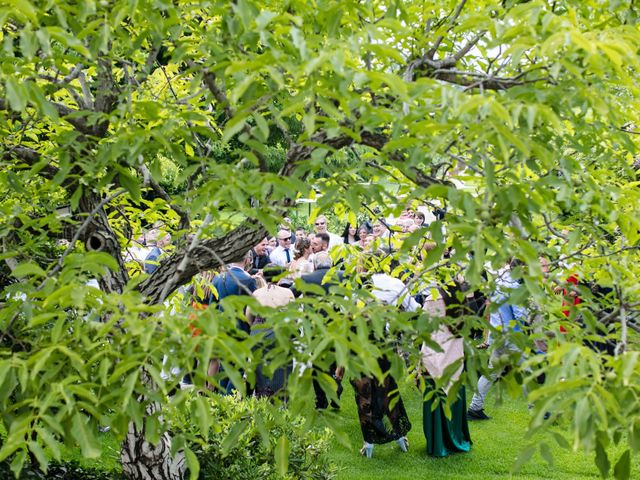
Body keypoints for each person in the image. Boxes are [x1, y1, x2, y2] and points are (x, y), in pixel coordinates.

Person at [351, 255, 417, 458]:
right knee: (388, 390)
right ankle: (396, 435)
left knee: (364, 394)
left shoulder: (357, 286)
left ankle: (370, 441)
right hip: (384, 342)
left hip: (361, 344)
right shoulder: (395, 283)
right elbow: (414, 309)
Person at [467, 262, 528, 420]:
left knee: (491, 372)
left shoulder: (497, 282)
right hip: (511, 336)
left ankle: (475, 407)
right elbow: (520, 315)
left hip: (497, 333)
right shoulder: (514, 287)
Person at [420, 288, 472, 457]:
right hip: (455, 356)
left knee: (436, 400)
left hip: (434, 356)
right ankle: (455, 437)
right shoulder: (462, 297)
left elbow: (423, 328)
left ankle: (438, 443)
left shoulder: (432, 299)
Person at [246, 265, 295, 398]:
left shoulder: (257, 293)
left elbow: (248, 317)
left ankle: (263, 397)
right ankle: (280, 399)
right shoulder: (287, 293)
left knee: (260, 368)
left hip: (259, 332)